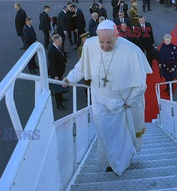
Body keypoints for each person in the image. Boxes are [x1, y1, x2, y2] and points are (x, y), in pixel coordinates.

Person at [63, 20, 152, 176]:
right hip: (100, 98)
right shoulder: (90, 45)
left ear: (116, 36)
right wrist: (70, 79)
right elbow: (82, 65)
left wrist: (129, 102)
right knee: (106, 133)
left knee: (123, 134)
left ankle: (123, 160)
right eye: (101, 42)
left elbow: (140, 84)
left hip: (122, 101)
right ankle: (112, 163)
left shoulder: (132, 51)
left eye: (109, 42)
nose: (104, 46)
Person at [48, 34, 69, 110]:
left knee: (60, 85)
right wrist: (55, 75)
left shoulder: (57, 47)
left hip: (59, 71)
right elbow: (52, 64)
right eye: (61, 41)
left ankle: (61, 97)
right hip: (55, 73)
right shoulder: (52, 50)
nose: (62, 42)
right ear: (57, 42)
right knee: (57, 88)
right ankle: (58, 104)